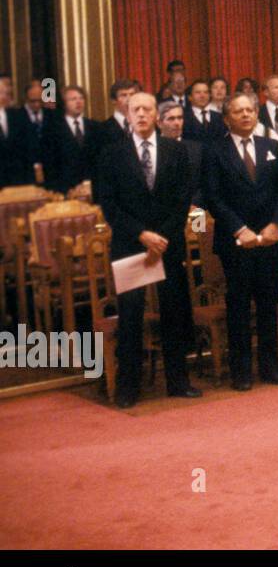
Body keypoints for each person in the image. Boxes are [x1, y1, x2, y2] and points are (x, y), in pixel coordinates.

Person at [94, 92, 199, 408]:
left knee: (174, 312)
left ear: (157, 115)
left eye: (147, 109)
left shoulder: (176, 151)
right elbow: (108, 204)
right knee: (130, 315)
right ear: (127, 114)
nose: (141, 114)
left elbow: (182, 200)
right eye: (135, 109)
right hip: (130, 243)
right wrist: (142, 235)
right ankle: (128, 387)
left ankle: (178, 381)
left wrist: (161, 236)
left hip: (168, 243)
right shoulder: (111, 154)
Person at [202, 93, 278, 391]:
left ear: (257, 114)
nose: (245, 115)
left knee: (269, 303)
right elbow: (213, 197)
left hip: (269, 239)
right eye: (238, 112)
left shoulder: (271, 145)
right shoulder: (214, 151)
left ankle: (271, 366)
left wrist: (274, 224)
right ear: (227, 119)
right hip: (236, 242)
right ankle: (241, 370)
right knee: (239, 306)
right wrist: (239, 229)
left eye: (250, 110)